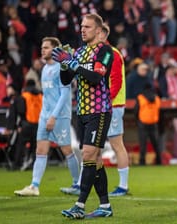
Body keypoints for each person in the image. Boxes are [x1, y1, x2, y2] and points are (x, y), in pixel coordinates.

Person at [52, 13, 114, 219]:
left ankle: (79, 205)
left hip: (100, 111)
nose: (83, 29)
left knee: (88, 154)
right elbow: (65, 80)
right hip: (82, 112)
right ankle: (105, 206)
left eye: (87, 27)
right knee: (94, 160)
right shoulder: (79, 52)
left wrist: (73, 64)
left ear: (98, 30)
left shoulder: (105, 51)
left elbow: (96, 78)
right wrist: (64, 64)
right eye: (82, 26)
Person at [14, 37, 80, 196]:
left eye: (46, 48)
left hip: (60, 116)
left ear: (55, 49)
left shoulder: (61, 68)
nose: (42, 50)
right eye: (42, 47)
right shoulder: (44, 69)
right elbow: (47, 95)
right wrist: (44, 115)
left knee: (66, 150)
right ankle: (34, 186)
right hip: (45, 116)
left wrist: (53, 116)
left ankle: (77, 184)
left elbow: (65, 95)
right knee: (40, 150)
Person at [101, 24, 130, 196]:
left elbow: (117, 81)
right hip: (103, 105)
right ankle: (81, 183)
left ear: (103, 34)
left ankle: (123, 186)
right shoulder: (103, 54)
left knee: (117, 145)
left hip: (113, 105)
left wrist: (106, 100)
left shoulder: (112, 54)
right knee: (91, 147)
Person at [134, 83, 162, 165]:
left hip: (143, 123)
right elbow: (159, 111)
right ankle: (159, 161)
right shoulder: (156, 98)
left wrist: (138, 121)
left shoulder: (140, 97)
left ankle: (142, 162)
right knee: (156, 144)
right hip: (154, 123)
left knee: (143, 144)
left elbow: (136, 111)